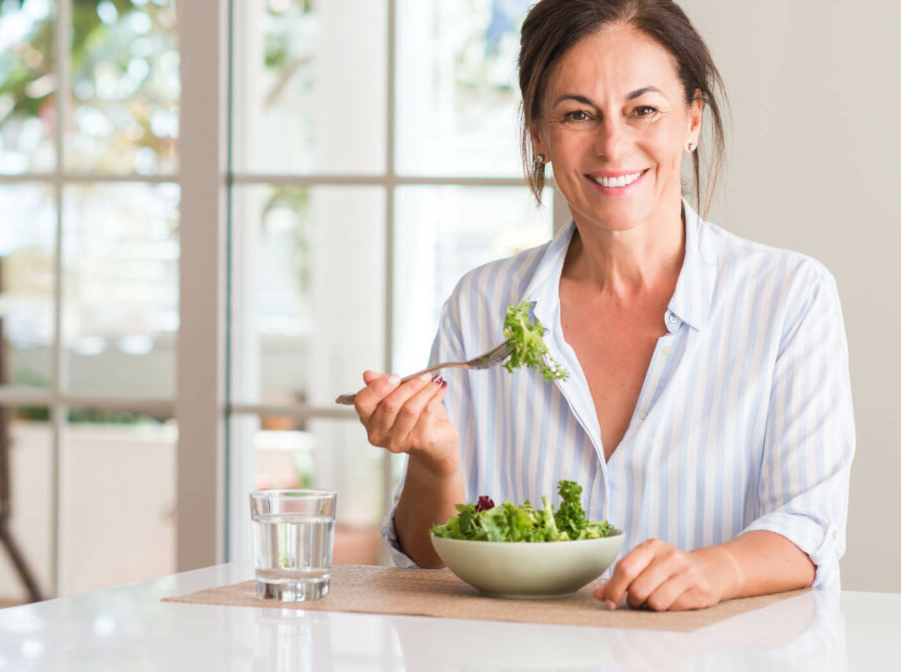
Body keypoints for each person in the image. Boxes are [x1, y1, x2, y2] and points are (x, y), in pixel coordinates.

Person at [352, 0, 854, 611]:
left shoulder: (789, 297)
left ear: (692, 120)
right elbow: (430, 566)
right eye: (577, 115)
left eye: (643, 110)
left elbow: (808, 525)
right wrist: (434, 463)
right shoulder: (482, 304)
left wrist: (715, 569)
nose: (613, 146)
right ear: (539, 135)